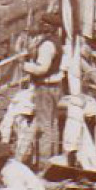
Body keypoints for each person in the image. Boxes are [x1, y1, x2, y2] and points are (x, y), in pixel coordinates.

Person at [20, 10, 64, 169]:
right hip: (55, 87)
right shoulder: (56, 41)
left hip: (45, 88)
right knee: (53, 124)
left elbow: (41, 69)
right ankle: (54, 157)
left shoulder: (47, 45)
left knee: (44, 127)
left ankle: (44, 165)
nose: (41, 25)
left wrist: (24, 65)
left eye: (44, 24)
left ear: (50, 27)